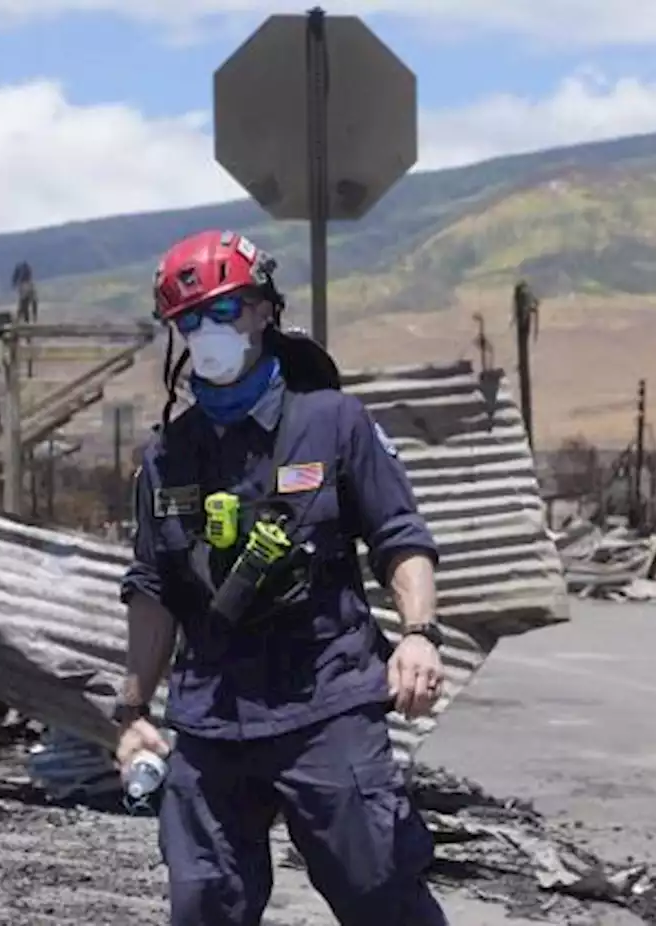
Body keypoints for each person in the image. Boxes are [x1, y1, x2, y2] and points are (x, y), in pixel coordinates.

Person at [112, 229, 450, 926]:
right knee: (205, 903)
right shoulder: (167, 456)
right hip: (212, 719)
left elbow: (399, 537)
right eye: (191, 321)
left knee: (379, 891)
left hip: (325, 703)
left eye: (227, 310)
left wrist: (418, 635)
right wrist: (135, 711)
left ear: (265, 311)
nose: (210, 333)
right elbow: (152, 586)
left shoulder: (334, 423)